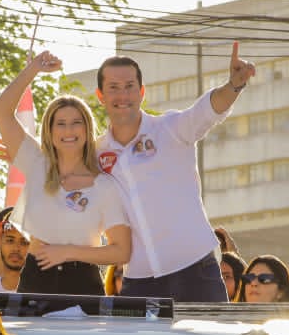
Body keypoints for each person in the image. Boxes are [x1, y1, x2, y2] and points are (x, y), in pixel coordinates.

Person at [93, 45, 255, 301]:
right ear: (100, 95)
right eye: (113, 87)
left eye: (129, 86)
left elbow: (207, 110)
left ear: (142, 92)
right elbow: (58, 167)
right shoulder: (95, 154)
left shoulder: (170, 129)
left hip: (196, 272)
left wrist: (233, 85)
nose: (122, 95)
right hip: (138, 282)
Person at [0, 52, 131, 295]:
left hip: (84, 283)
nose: (69, 130)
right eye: (60, 123)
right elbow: (2, 111)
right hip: (36, 279)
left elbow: (121, 250)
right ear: (49, 130)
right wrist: (33, 69)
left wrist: (67, 252)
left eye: (76, 122)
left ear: (87, 129)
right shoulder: (36, 163)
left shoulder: (105, 185)